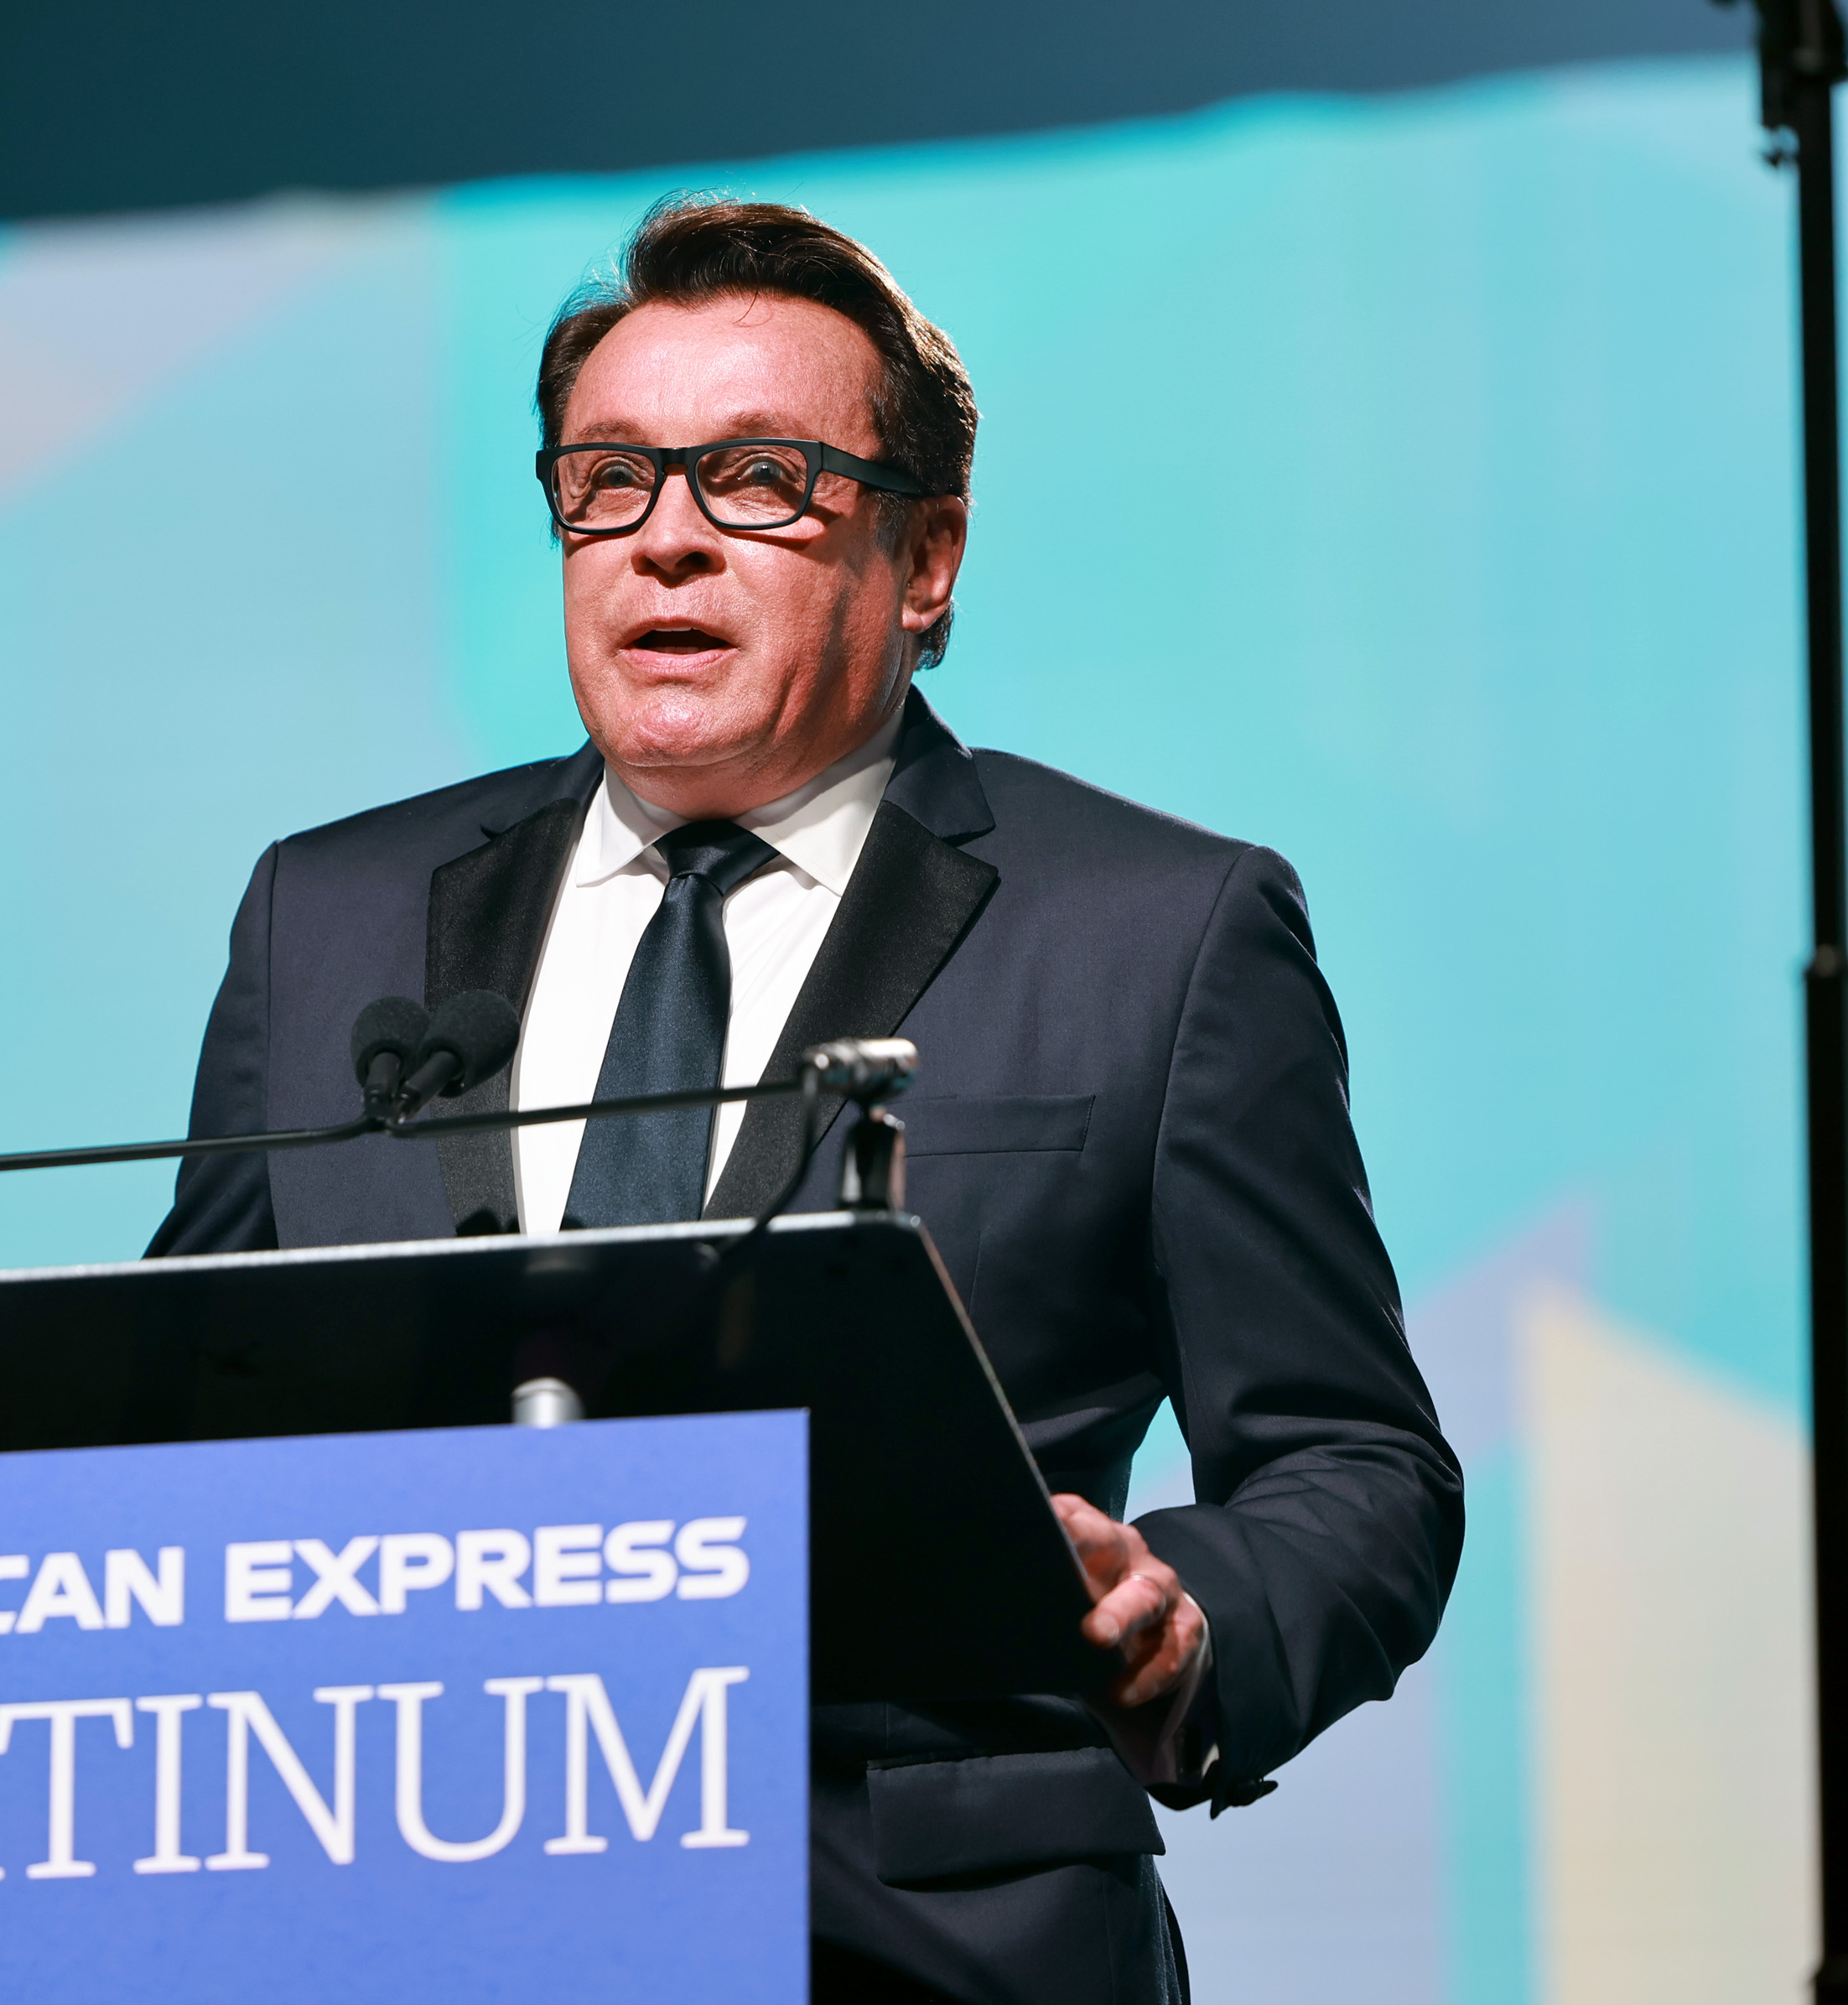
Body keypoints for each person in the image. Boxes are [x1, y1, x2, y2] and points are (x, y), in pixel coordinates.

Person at [148, 197, 1460, 2005]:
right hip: (409, 1906)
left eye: (758, 477)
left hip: (927, 1929)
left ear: (926, 558)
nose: (664, 539)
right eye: (607, 477)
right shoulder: (333, 913)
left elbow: (1356, 1461)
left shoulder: (1161, 930)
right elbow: (171, 1405)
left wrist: (1183, 1616)